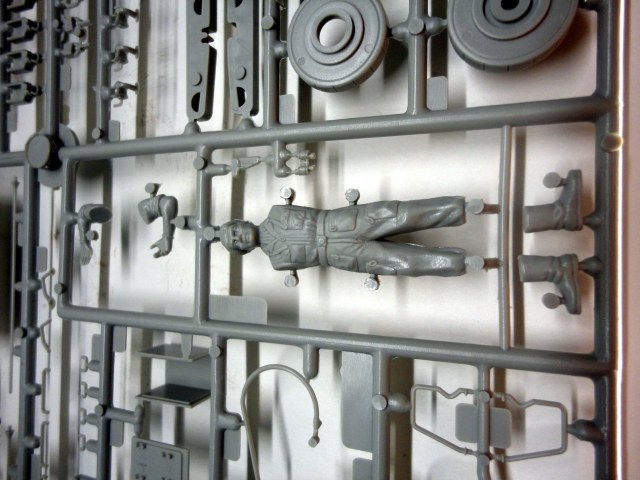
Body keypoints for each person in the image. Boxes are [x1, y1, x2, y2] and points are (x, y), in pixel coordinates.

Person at [219, 196, 483, 278]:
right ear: (243, 251)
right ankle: (461, 263)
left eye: (235, 232)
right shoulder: (278, 262)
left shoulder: (277, 212)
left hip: (344, 222)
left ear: (241, 221)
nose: (239, 238)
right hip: (343, 255)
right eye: (236, 243)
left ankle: (462, 207)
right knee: (403, 263)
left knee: (402, 214)